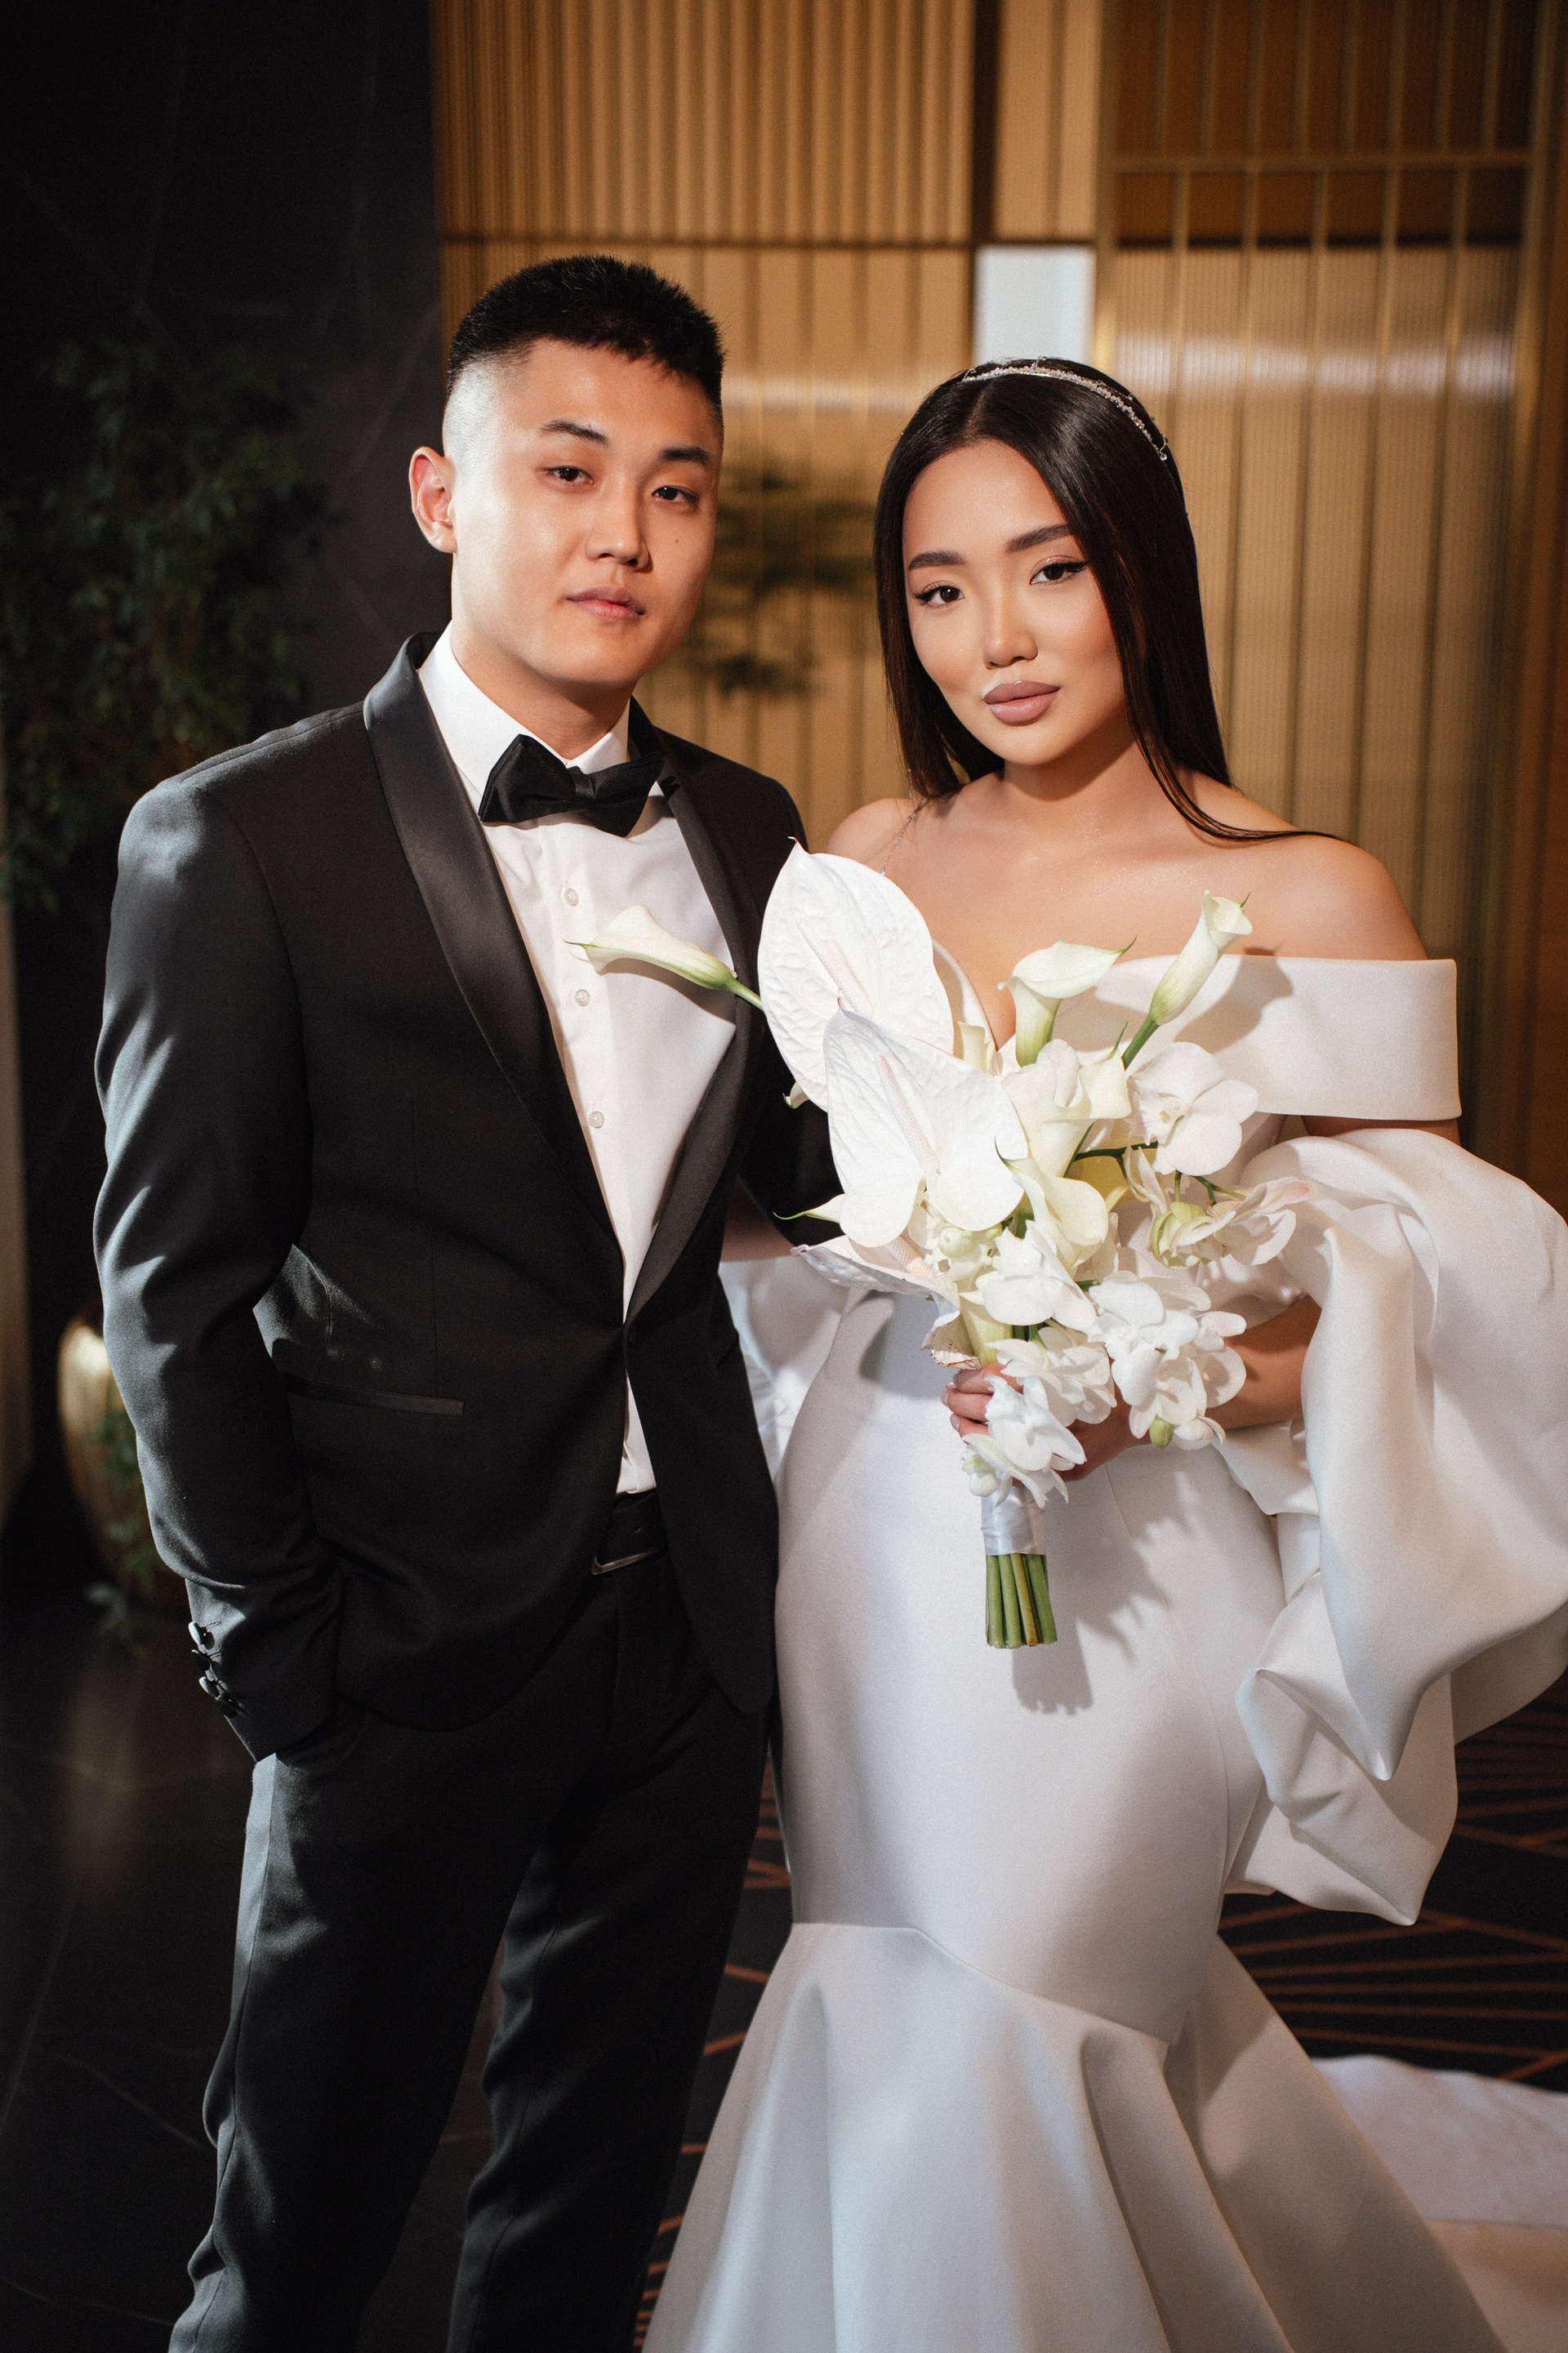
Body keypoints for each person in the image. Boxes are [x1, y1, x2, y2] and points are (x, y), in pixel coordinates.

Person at [648, 361, 1568, 2351]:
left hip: (1141, 1553)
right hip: (876, 1531)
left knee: (1040, 1978)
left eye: (1049, 568)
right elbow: (797, 1213)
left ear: (1142, 569)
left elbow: (1413, 1313)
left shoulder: (1310, 893)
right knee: (893, 1975)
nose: (996, 635)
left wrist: (1148, 1382)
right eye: (940, 587)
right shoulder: (869, 861)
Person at [94, 254, 835, 2351]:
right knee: (298, 2239)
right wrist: (278, 1648)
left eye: (677, 488)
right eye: (570, 470)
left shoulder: (753, 832)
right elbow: (171, 1288)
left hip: (684, 1631)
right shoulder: (236, 839)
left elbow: (805, 1173)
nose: (627, 534)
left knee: (587, 2214)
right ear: (441, 493)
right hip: (396, 1641)